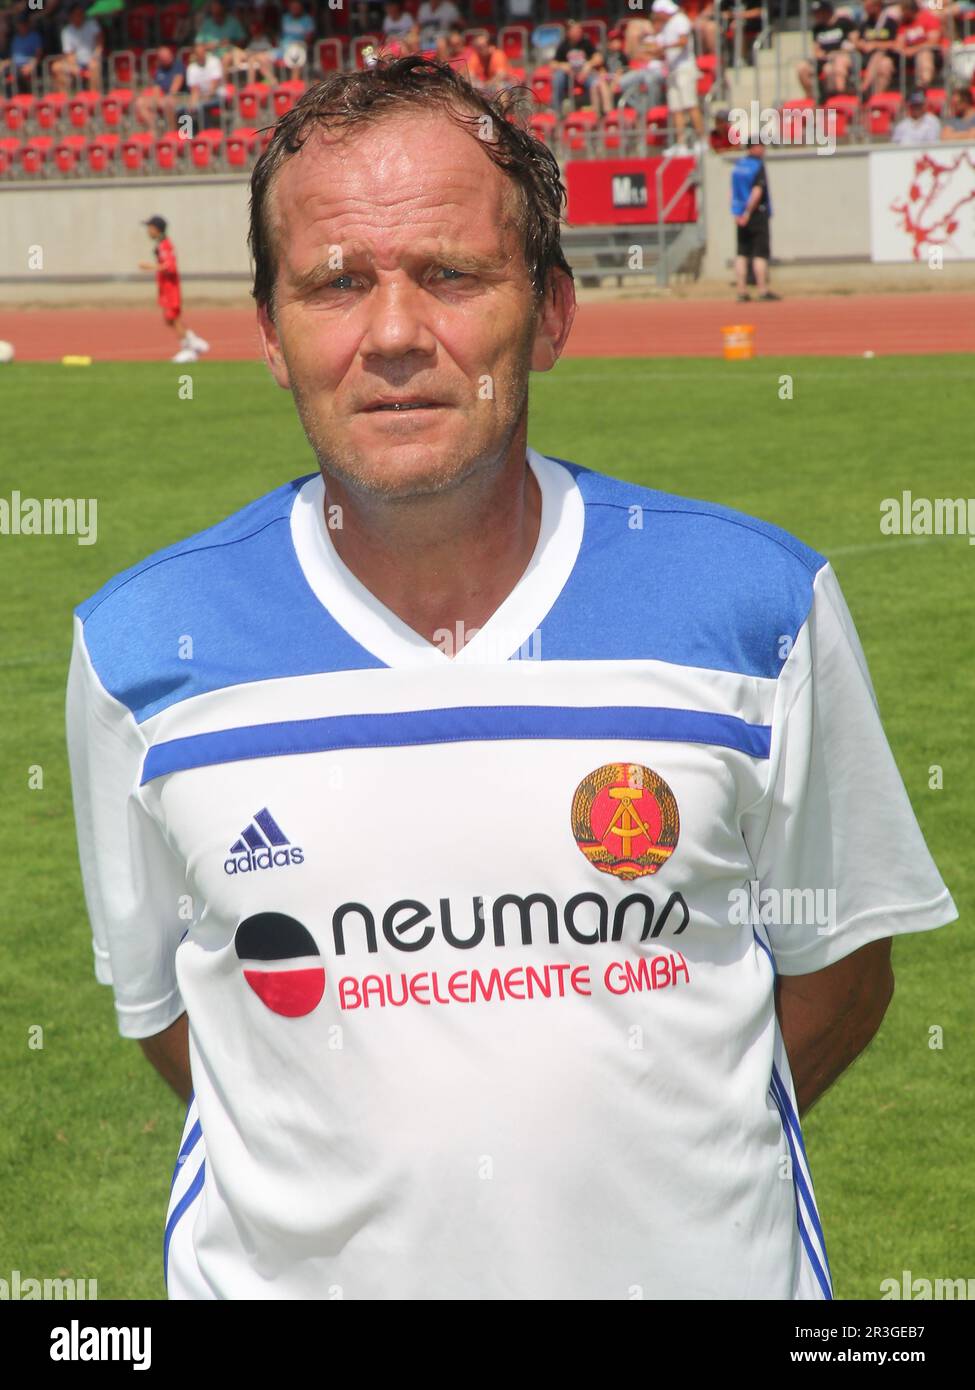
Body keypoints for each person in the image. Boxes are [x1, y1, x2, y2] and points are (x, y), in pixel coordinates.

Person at [67, 55, 957, 1303]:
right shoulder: (140, 648)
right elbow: (175, 1014)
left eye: (450, 273)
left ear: (548, 309)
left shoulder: (758, 608)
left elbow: (845, 975)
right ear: (268, 333)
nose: (391, 334)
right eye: (335, 283)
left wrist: (645, 1149)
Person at [137, 215, 210, 363]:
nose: (148, 232)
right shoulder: (161, 245)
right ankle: (193, 341)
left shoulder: (165, 245)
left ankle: (188, 350)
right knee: (169, 319)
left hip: (170, 288)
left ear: (156, 229)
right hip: (165, 287)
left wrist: (148, 266)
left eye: (150, 228)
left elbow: (170, 267)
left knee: (173, 318)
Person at [649, 0, 703, 154]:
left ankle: (701, 140)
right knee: (676, 109)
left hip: (684, 69)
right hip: (672, 71)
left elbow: (683, 41)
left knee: (690, 105)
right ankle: (682, 144)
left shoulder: (680, 20)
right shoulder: (666, 26)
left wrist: (664, 47)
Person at [732, 137, 779, 300]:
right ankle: (762, 289)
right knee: (760, 253)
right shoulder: (757, 166)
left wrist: (737, 213)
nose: (764, 149)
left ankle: (741, 291)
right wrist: (747, 213)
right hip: (756, 213)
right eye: (761, 146)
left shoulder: (738, 166)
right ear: (754, 147)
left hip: (740, 215)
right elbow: (757, 192)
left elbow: (733, 192)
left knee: (742, 253)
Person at [796, 1, 858, 100]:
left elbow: (855, 42)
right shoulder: (817, 28)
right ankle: (813, 98)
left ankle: (838, 98)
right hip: (824, 58)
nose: (817, 15)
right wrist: (821, 55)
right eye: (815, 13)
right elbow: (816, 49)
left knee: (830, 68)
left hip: (842, 56)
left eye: (819, 12)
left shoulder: (843, 22)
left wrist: (839, 52)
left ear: (827, 11)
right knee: (802, 67)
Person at [550, 19, 609, 116]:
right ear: (569, 33)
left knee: (596, 82)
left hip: (584, 74)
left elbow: (599, 58)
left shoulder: (586, 42)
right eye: (576, 30)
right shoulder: (564, 45)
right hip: (569, 76)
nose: (579, 32)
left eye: (579, 30)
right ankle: (557, 111)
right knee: (558, 77)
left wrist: (588, 65)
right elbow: (552, 63)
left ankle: (598, 113)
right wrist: (563, 66)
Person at [52, 3, 103, 93]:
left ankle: (94, 98)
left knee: (94, 66)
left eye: (80, 13)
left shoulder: (92, 24)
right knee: (57, 67)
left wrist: (95, 56)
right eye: (76, 14)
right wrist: (75, 67)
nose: (78, 16)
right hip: (76, 63)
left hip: (92, 60)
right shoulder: (67, 31)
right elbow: (69, 53)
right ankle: (64, 101)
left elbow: (100, 44)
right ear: (71, 16)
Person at [134, 45, 186, 130]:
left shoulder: (178, 66)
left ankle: (172, 131)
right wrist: (156, 100)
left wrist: (165, 98)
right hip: (164, 98)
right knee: (140, 102)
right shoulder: (159, 70)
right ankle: (154, 128)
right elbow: (156, 89)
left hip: (180, 97)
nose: (167, 58)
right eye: (164, 57)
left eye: (168, 56)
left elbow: (176, 86)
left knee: (169, 102)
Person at [895, 0, 943, 93]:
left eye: (903, 11)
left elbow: (932, 42)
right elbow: (898, 43)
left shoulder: (928, 18)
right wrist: (903, 50)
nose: (901, 14)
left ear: (909, 10)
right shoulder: (904, 23)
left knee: (924, 54)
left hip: (931, 54)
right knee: (885, 62)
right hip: (908, 58)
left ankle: (923, 85)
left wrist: (913, 50)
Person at [854, 0, 899, 97]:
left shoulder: (890, 22)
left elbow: (896, 43)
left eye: (869, 6)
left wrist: (875, 45)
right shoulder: (865, 23)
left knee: (884, 64)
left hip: (887, 57)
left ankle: (870, 93)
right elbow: (858, 41)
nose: (866, 9)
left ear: (877, 6)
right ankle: (868, 95)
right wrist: (861, 44)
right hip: (866, 58)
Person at [182, 39, 225, 130]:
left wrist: (203, 99)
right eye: (198, 53)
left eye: (202, 51)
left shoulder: (214, 62)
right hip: (201, 97)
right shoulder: (191, 68)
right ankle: (188, 137)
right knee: (186, 109)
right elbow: (194, 90)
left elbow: (214, 85)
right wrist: (192, 103)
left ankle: (205, 132)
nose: (201, 54)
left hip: (217, 95)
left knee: (200, 106)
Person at [195, 0, 247, 75]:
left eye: (219, 14)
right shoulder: (207, 24)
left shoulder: (233, 22)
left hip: (230, 54)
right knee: (200, 55)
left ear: (223, 10)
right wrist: (208, 46)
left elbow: (243, 40)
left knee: (226, 58)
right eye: (214, 14)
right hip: (211, 56)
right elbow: (198, 44)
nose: (217, 17)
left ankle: (224, 85)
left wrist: (231, 42)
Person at [0, 13, 42, 96]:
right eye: (20, 24)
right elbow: (13, 57)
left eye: (23, 23)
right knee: (4, 71)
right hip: (14, 66)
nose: (22, 26)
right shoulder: (16, 38)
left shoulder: (35, 37)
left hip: (26, 66)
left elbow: (38, 54)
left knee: (16, 75)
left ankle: (19, 99)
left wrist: (31, 65)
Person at [465, 31, 511, 97]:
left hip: (507, 84)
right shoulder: (475, 56)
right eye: (478, 47)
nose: (481, 48)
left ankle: (503, 107)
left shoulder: (498, 54)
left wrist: (485, 86)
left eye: (484, 45)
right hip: (486, 87)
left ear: (490, 45)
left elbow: (500, 76)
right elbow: (469, 75)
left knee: (500, 88)